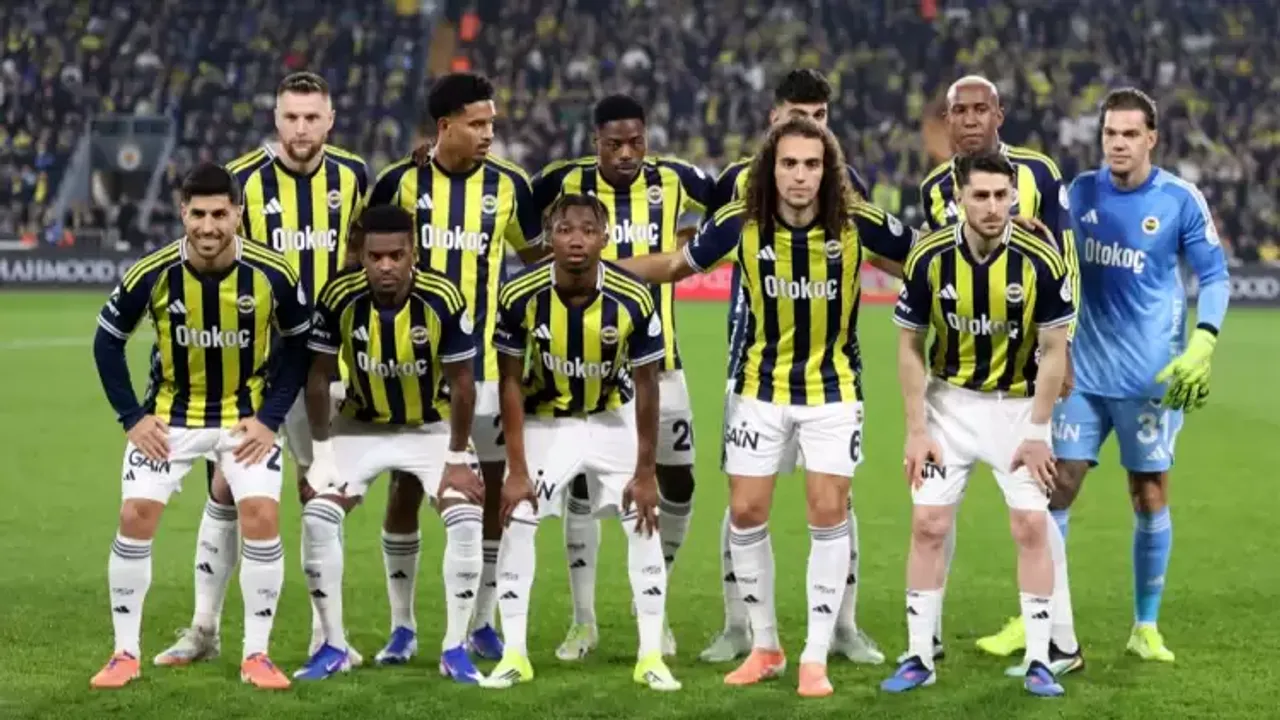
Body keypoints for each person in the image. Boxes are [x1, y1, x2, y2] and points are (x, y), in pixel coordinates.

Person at [609, 118, 912, 697]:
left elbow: (927, 259)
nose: (800, 176)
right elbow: (672, 267)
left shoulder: (859, 223)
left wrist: (1000, 235)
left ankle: (815, 656)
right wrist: (596, 269)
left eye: (812, 165)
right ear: (771, 170)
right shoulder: (739, 223)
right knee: (746, 513)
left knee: (829, 511)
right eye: (789, 164)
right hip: (758, 390)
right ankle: (766, 646)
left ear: (827, 171)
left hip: (832, 390)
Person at [157, 71, 372, 668]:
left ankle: (328, 637)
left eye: (312, 117)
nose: (301, 129)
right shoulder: (242, 179)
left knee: (322, 493)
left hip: (326, 366)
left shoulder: (354, 176)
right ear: (276, 120)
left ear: (330, 120)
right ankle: (204, 629)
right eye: (291, 117)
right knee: (226, 490)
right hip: (254, 370)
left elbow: (362, 251)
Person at [89, 163, 310, 690]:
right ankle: (124, 653)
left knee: (261, 516)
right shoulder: (152, 272)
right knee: (135, 515)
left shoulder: (273, 273)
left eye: (219, 214)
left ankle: (257, 655)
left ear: (238, 214)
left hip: (243, 420)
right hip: (170, 417)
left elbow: (300, 347)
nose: (208, 226)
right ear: (181, 213)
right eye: (198, 214)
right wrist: (132, 417)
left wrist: (270, 419)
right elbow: (107, 342)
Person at [701, 66, 883, 669]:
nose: (811, 127)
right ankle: (739, 626)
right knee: (744, 501)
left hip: (830, 370)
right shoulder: (737, 182)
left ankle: (844, 626)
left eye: (822, 118)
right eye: (799, 115)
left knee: (835, 502)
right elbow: (706, 245)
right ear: (773, 117)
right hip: (750, 363)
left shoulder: (844, 183)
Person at [881, 151, 1074, 698]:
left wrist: (1037, 431)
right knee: (928, 524)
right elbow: (910, 345)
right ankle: (919, 655)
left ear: (1014, 195)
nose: (992, 207)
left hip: (1018, 408)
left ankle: (1040, 659)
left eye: (1001, 196)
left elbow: (1054, 351)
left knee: (1031, 526)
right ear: (960, 198)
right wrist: (916, 429)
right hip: (950, 404)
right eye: (980, 196)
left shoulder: (1041, 259)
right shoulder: (930, 257)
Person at [365, 71, 544, 664]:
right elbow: (366, 254)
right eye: (478, 123)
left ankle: (481, 621)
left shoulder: (510, 185)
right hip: (411, 371)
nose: (490, 133)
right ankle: (402, 626)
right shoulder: (400, 181)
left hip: (487, 369)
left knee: (489, 492)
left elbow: (534, 255)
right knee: (404, 489)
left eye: (492, 122)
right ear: (445, 127)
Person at [1046, 88, 1230, 664]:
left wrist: (1205, 340)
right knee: (1056, 487)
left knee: (1148, 493)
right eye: (1110, 133)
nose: (1118, 143)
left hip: (1150, 376)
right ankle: (1041, 618)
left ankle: (1144, 626)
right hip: (1082, 374)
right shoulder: (1079, 193)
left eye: (1130, 133)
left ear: (1152, 138)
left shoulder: (1179, 199)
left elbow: (1215, 275)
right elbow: (1050, 260)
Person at [531, 93, 712, 661]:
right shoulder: (563, 180)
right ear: (596, 143)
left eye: (637, 142)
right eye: (615, 144)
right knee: (582, 488)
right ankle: (582, 622)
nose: (628, 153)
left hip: (663, 362)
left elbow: (736, 198)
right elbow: (510, 210)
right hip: (585, 367)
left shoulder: (675, 179)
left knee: (678, 482)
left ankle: (652, 596)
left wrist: (691, 246)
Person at [480, 194, 679, 692]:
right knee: (518, 518)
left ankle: (651, 656)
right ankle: (515, 654)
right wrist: (516, 469)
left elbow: (648, 386)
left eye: (588, 230)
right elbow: (509, 381)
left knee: (644, 519)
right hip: (548, 420)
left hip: (612, 417)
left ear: (605, 238)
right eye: (565, 229)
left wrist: (646, 472)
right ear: (549, 237)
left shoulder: (634, 296)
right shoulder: (519, 293)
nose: (576, 240)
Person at [917, 74, 1081, 662]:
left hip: (1025, 375)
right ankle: (928, 635)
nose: (968, 120)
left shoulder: (1038, 172)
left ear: (999, 115)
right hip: (956, 376)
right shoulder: (934, 186)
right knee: (935, 510)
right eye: (958, 111)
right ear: (947, 119)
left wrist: (1066, 349)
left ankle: (1060, 638)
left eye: (979, 110)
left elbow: (1065, 259)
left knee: (1034, 508)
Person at [294, 205, 489, 683]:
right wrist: (320, 455)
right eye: (375, 256)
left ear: (412, 254)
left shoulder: (442, 296)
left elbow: (463, 383)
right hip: (361, 425)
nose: (385, 266)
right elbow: (318, 377)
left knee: (466, 517)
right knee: (318, 516)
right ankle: (334, 645)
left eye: (396, 256)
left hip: (431, 427)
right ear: (361, 255)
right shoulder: (338, 294)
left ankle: (454, 648)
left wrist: (458, 458)